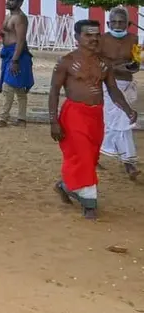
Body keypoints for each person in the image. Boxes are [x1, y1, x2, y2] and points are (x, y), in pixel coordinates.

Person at [50, 20, 138, 219]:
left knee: (90, 157)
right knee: (81, 155)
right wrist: (53, 121)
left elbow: (113, 90)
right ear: (77, 37)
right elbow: (54, 91)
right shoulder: (66, 62)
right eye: (88, 35)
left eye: (97, 35)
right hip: (73, 115)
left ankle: (66, 186)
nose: (94, 39)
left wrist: (127, 109)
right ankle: (89, 202)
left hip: (96, 115)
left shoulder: (104, 64)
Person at [100, 6, 140, 179]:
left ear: (128, 24)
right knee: (123, 120)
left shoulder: (134, 39)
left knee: (116, 122)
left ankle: (99, 152)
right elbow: (97, 64)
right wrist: (115, 68)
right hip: (108, 85)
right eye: (114, 22)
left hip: (126, 85)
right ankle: (129, 163)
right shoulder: (101, 40)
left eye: (121, 22)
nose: (117, 25)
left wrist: (131, 67)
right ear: (108, 23)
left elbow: (136, 64)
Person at [0, 0, 33, 127]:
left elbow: (20, 41)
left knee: (9, 87)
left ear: (20, 2)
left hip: (17, 55)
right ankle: (21, 118)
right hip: (8, 53)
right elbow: (8, 35)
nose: (8, 2)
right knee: (17, 88)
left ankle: (4, 118)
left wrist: (15, 61)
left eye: (11, 0)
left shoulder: (20, 18)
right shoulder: (8, 15)